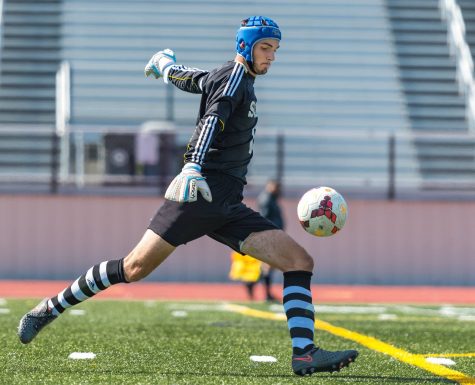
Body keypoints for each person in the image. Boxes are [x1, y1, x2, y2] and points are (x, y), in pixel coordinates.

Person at [17, 16, 358, 376]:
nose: (272, 56)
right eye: (265, 47)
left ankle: (304, 354)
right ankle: (49, 308)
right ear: (245, 46)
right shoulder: (236, 78)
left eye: (275, 49)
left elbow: (196, 80)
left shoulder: (229, 75)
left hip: (227, 204)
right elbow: (212, 120)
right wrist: (192, 165)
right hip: (200, 194)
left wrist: (166, 67)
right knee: (133, 268)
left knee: (299, 261)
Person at [256, 179, 284, 301]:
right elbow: (265, 219)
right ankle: (265, 292)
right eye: (276, 187)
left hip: (274, 236)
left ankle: (260, 288)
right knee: (267, 265)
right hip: (270, 236)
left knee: (269, 265)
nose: (278, 190)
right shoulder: (266, 199)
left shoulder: (272, 199)